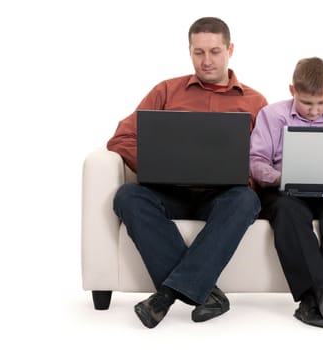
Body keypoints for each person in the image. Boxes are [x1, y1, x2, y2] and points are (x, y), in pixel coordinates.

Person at [107, 17, 267, 328]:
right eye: (199, 52)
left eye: (215, 51)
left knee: (246, 200)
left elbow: (267, 156)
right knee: (128, 195)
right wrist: (157, 163)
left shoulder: (255, 102)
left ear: (230, 50)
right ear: (190, 51)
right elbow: (121, 138)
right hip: (170, 191)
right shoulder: (166, 91)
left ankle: (164, 296)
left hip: (221, 197)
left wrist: (240, 172)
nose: (207, 61)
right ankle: (207, 294)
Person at [249, 57, 323, 329]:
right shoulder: (271, 115)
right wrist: (283, 178)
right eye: (306, 103)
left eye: (321, 103)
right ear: (292, 91)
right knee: (287, 211)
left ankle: (316, 303)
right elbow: (256, 162)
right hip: (285, 192)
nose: (314, 111)